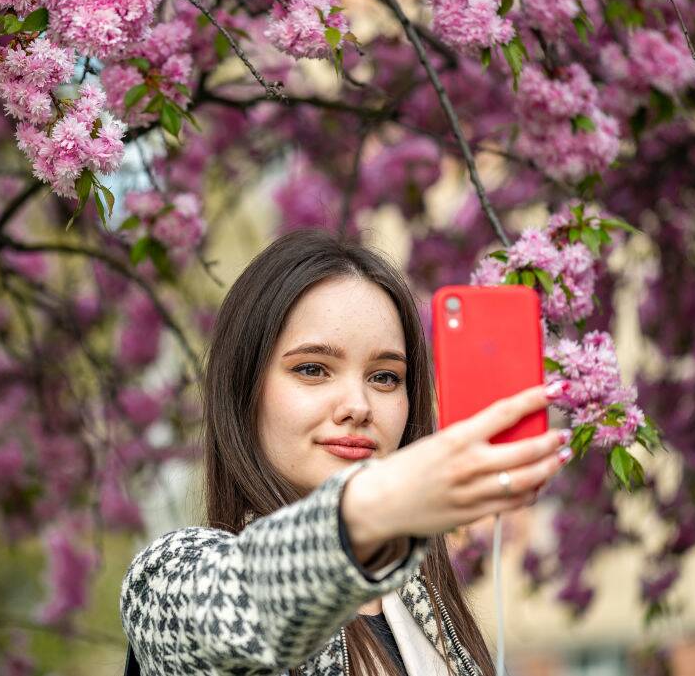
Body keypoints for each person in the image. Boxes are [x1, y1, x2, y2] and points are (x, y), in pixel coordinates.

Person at [119, 229, 572, 675]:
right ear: (244, 390)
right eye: (313, 369)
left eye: (385, 377)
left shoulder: (423, 604)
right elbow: (231, 614)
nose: (358, 406)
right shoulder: (166, 585)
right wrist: (381, 505)